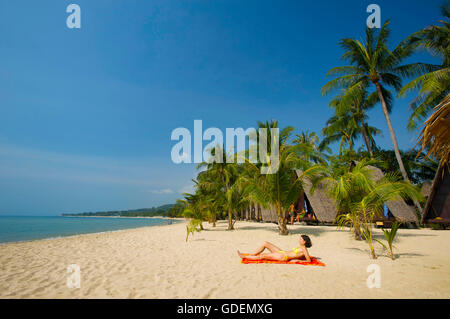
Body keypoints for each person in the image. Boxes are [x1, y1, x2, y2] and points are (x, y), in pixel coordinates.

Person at [237, 235, 312, 263]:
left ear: (304, 242)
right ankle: (252, 254)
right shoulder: (300, 247)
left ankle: (245, 257)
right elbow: (298, 254)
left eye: (300, 239)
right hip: (282, 252)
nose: (299, 240)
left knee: (263, 256)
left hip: (283, 257)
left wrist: (297, 260)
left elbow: (309, 260)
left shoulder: (304, 249)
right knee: (265, 243)